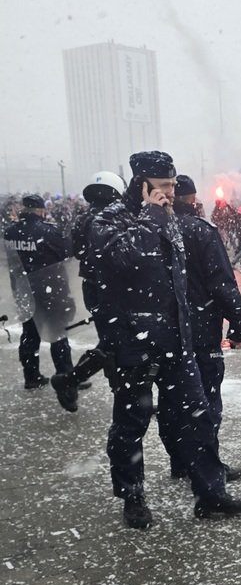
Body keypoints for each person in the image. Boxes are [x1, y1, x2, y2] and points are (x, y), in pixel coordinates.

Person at [85, 150, 241, 529]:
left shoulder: (172, 218)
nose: (170, 194)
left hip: (177, 341)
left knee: (198, 417)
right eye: (163, 187)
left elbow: (178, 282)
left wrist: (188, 329)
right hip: (132, 343)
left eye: (173, 186)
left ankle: (210, 493)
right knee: (131, 423)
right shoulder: (110, 220)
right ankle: (132, 497)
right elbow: (123, 261)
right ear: (141, 185)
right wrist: (152, 217)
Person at [165, 173, 241, 480]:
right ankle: (206, 466)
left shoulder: (155, 228)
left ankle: (179, 460)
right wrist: (237, 324)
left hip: (169, 334)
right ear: (194, 199)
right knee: (206, 401)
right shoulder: (201, 231)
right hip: (201, 333)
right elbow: (222, 284)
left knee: (173, 399)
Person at [50, 170, 126, 412]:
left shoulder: (83, 219)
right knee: (114, 344)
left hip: (95, 287)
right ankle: (71, 380)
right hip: (112, 287)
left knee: (113, 342)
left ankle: (121, 393)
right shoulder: (114, 217)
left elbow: (77, 252)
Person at [3, 193, 76, 390]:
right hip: (49, 291)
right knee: (58, 333)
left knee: (29, 334)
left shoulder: (10, 232)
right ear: (42, 210)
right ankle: (66, 377)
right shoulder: (48, 231)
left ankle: (31, 376)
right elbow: (67, 253)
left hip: (23, 290)